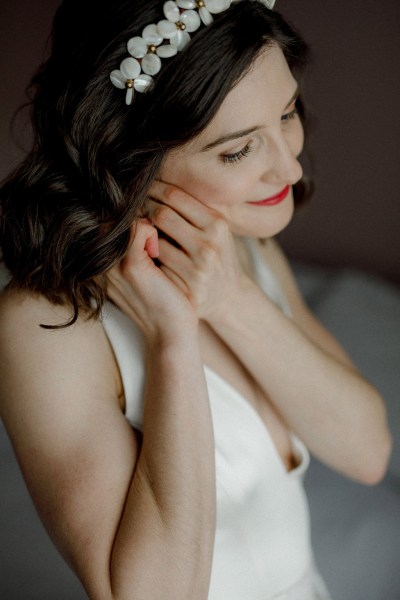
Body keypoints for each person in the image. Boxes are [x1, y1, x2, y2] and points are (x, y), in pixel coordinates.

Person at [0, 0, 392, 598]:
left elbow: (368, 451)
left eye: (286, 113)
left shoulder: (239, 247)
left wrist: (232, 299)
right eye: (237, 151)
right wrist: (171, 339)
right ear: (130, 159)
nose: (288, 167)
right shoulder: (42, 327)